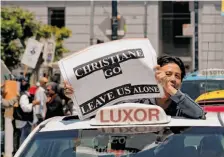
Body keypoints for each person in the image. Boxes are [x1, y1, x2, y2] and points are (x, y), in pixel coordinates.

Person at [63, 55, 205, 119]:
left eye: (177, 76)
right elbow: (100, 113)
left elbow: (199, 114)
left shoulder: (182, 105)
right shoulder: (137, 102)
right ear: (156, 75)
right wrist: (77, 95)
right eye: (168, 74)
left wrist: (172, 91)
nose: (173, 79)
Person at [15, 78, 40, 145]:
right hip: (24, 121)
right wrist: (33, 103)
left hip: (25, 121)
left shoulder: (24, 95)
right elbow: (25, 108)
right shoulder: (24, 96)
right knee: (24, 139)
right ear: (28, 87)